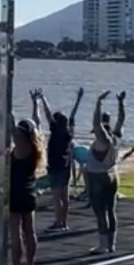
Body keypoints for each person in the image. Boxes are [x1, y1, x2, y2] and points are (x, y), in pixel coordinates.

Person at [36, 86, 83, 231]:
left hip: (56, 166)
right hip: (66, 166)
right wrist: (79, 99)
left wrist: (43, 98)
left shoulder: (55, 131)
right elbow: (73, 115)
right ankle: (64, 222)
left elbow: (47, 114)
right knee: (64, 196)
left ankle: (58, 222)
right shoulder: (69, 133)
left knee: (57, 196)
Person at [87, 90, 125, 255]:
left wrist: (98, 102)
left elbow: (97, 124)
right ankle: (111, 243)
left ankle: (103, 245)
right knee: (111, 210)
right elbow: (122, 119)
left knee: (100, 211)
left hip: (99, 177)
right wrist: (120, 102)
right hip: (112, 175)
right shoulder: (116, 137)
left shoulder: (103, 140)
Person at [9, 116, 45, 265]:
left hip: (17, 192)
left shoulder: (22, 147)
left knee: (16, 234)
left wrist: (9, 113)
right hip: (30, 191)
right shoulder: (35, 148)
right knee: (29, 231)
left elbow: (11, 129)